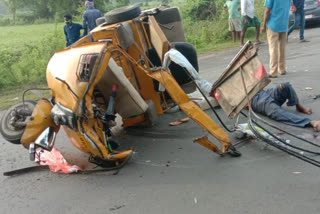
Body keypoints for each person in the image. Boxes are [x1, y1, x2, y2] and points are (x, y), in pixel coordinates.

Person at [251, 82, 320, 132]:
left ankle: (298, 106)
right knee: (275, 110)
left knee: (285, 86)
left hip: (264, 92)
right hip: (255, 99)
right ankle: (310, 122)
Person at [261, 0, 291, 78]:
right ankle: (282, 69)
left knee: (273, 49)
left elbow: (267, 11)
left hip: (273, 25)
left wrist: (264, 25)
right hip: (284, 25)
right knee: (282, 48)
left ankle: (273, 72)